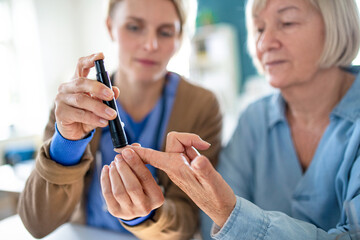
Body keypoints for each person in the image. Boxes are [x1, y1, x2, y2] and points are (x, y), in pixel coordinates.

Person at [118, 0, 360, 239]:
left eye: (287, 23)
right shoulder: (254, 120)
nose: (264, 43)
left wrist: (229, 214)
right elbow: (209, 227)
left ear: (337, 26)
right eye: (259, 29)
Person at [17, 0, 222, 239]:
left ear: (179, 38)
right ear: (110, 26)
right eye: (134, 27)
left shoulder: (201, 106)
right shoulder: (73, 103)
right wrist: (66, 145)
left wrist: (144, 216)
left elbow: (191, 219)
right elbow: (37, 222)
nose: (150, 44)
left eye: (165, 32)